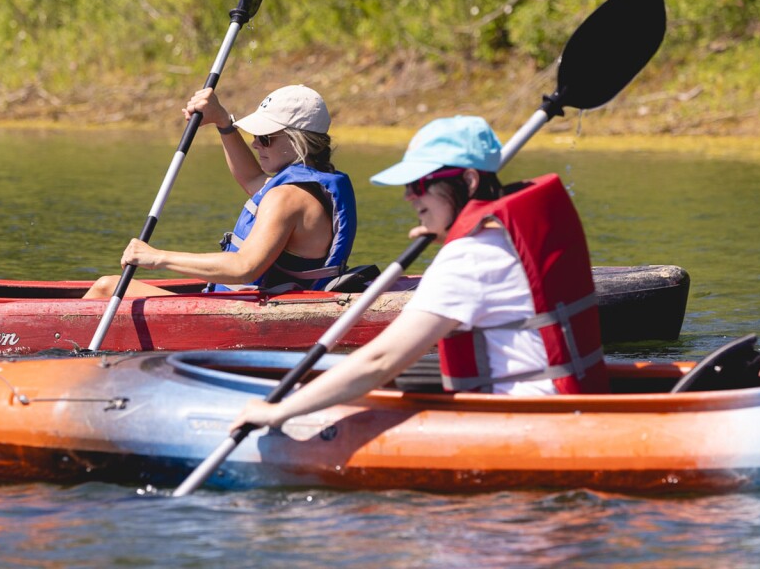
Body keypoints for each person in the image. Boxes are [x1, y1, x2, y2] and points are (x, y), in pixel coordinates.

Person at [236, 116, 609, 429]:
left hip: (530, 424)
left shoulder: (470, 256)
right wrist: (449, 235)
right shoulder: (505, 236)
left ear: (468, 183)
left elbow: (379, 361)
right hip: (562, 407)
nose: (409, 197)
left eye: (420, 185)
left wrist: (279, 411)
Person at [83, 84, 357, 298]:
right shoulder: (308, 187)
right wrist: (223, 122)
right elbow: (251, 179)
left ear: (299, 141)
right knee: (110, 286)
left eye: (265, 138)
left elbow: (243, 268)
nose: (255, 145)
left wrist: (156, 257)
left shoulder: (287, 198)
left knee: (107, 288)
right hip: (259, 299)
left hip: (256, 313)